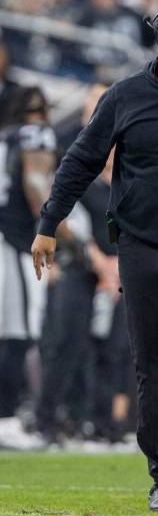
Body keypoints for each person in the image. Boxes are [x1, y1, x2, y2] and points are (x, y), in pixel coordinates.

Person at [31, 5, 158, 514]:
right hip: (138, 247)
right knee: (150, 365)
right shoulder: (124, 97)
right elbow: (79, 162)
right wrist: (48, 223)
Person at [0, 86, 57, 436]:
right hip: (15, 242)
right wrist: (57, 233)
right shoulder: (34, 135)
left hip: (7, 239)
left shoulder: (6, 137)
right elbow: (36, 184)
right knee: (18, 334)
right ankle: (6, 418)